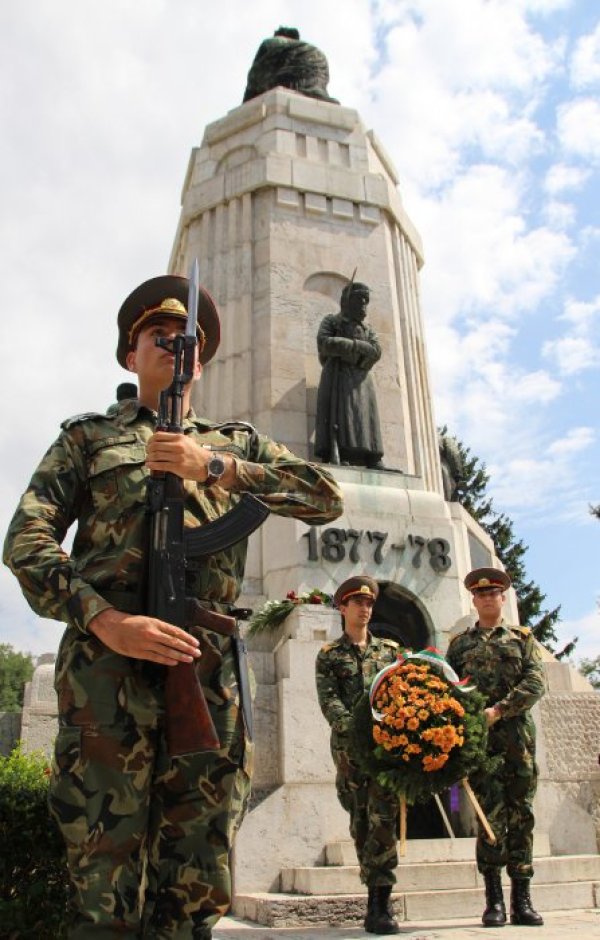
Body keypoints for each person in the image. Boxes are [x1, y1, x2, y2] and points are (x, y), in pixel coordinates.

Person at [3, 274, 343, 939]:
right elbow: (27, 540)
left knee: (195, 878)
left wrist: (212, 467)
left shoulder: (233, 444)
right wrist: (105, 619)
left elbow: (323, 497)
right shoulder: (88, 439)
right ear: (131, 356)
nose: (175, 345)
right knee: (103, 882)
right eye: (157, 335)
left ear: (203, 360)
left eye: (189, 340)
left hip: (205, 672)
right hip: (106, 675)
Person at [446, 567, 546, 928]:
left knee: (521, 816)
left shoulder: (522, 638)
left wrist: (500, 710)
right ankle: (494, 901)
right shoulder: (459, 646)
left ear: (503, 598)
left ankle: (523, 899)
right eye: (481, 594)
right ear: (473, 600)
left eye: (494, 593)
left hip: (517, 741)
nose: (488, 598)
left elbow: (535, 681)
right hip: (481, 745)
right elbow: (450, 690)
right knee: (489, 820)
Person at [315, 576, 401, 935]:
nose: (364, 609)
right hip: (351, 753)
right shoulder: (330, 656)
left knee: (385, 821)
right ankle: (371, 887)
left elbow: (402, 692)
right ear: (343, 608)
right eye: (357, 603)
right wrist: (356, 730)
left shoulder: (389, 652)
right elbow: (329, 700)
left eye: (368, 604)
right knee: (361, 822)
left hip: (385, 752)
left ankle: (380, 903)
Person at [315, 281, 385, 469]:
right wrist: (359, 349)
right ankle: (342, 452)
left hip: (362, 379)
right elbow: (325, 344)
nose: (363, 303)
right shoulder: (332, 321)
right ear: (347, 301)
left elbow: (376, 351)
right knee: (343, 415)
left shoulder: (368, 329)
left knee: (367, 417)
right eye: (359, 299)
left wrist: (349, 348)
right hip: (339, 376)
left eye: (366, 300)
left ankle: (372, 457)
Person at [243, 26, 338, 104]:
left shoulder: (271, 41)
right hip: (317, 84)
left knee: (255, 74)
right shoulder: (313, 49)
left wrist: (245, 106)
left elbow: (255, 72)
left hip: (294, 80)